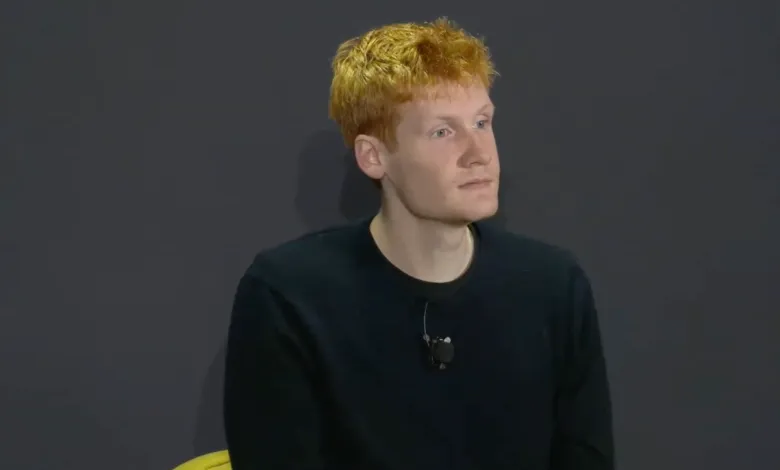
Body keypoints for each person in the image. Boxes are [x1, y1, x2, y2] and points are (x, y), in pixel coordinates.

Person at [223, 18, 614, 470]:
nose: (479, 153)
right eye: (442, 132)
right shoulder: (289, 296)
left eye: (482, 122)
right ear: (374, 157)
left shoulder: (554, 286)